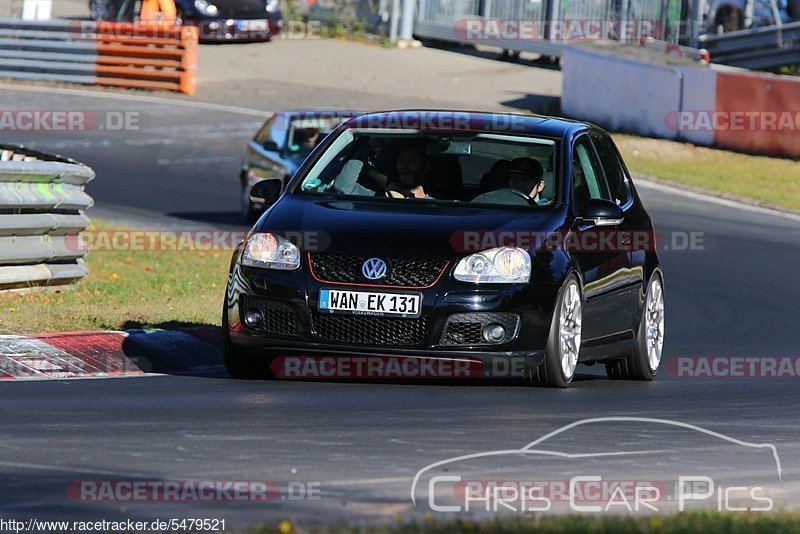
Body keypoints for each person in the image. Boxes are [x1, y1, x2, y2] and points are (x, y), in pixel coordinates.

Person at [332, 139, 433, 199]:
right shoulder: (378, 199)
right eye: (401, 160)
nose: (405, 164)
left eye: (412, 159)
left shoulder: (438, 208)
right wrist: (368, 148)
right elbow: (343, 186)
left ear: (425, 166)